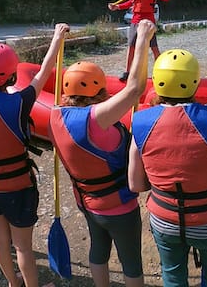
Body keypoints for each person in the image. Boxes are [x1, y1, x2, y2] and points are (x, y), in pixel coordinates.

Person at [128, 28, 207, 287]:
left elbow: (135, 185)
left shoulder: (139, 122)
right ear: (194, 82)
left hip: (165, 217)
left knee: (173, 276)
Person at [49, 20, 155, 287]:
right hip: (119, 207)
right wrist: (142, 38)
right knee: (131, 262)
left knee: (98, 249)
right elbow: (134, 90)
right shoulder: (97, 119)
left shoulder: (54, 116)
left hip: (87, 202)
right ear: (97, 90)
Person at [0, 20, 69, 287]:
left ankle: (13, 283)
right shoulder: (19, 103)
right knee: (22, 247)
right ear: (11, 76)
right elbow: (44, 72)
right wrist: (57, 38)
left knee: (1, 240)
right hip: (15, 186)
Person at [107, 0, 169, 81]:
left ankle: (161, 71)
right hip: (135, 20)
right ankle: (127, 72)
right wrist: (117, 7)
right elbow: (131, 2)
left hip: (148, 22)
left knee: (154, 48)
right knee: (131, 46)